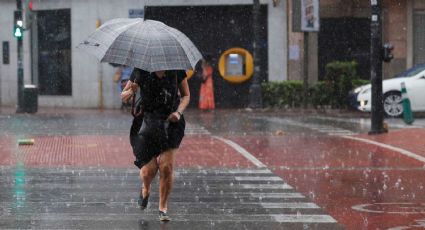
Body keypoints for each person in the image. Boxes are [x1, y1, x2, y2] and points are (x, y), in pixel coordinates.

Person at [121, 68, 189, 222]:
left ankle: (162, 208)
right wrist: (131, 91)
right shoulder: (140, 71)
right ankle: (145, 189)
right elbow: (123, 97)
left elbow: (186, 95)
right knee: (148, 172)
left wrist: (178, 112)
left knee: (166, 167)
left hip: (171, 123)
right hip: (147, 123)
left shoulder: (177, 70)